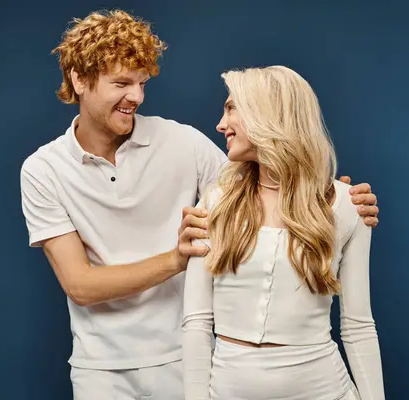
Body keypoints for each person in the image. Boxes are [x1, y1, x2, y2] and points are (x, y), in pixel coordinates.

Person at [20, 10, 380, 400]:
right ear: (79, 80)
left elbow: (263, 181)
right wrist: (177, 259)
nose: (137, 97)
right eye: (122, 83)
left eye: (142, 83)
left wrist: (330, 198)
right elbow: (81, 286)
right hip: (100, 367)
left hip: (183, 357)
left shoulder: (184, 143)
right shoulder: (43, 169)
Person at [182, 65, 385, 400]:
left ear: (268, 113)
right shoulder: (215, 202)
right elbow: (197, 323)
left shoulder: (349, 206)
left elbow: (359, 326)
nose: (221, 124)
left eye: (232, 108)